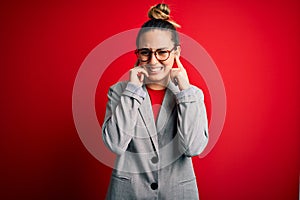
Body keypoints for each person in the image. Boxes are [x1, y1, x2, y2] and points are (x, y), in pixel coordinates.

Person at [102, 3, 209, 200]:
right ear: (138, 53)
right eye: (145, 52)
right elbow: (115, 144)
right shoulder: (119, 92)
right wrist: (132, 91)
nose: (153, 61)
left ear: (176, 52)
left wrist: (184, 91)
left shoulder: (193, 95)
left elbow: (193, 147)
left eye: (162, 52)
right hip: (128, 194)